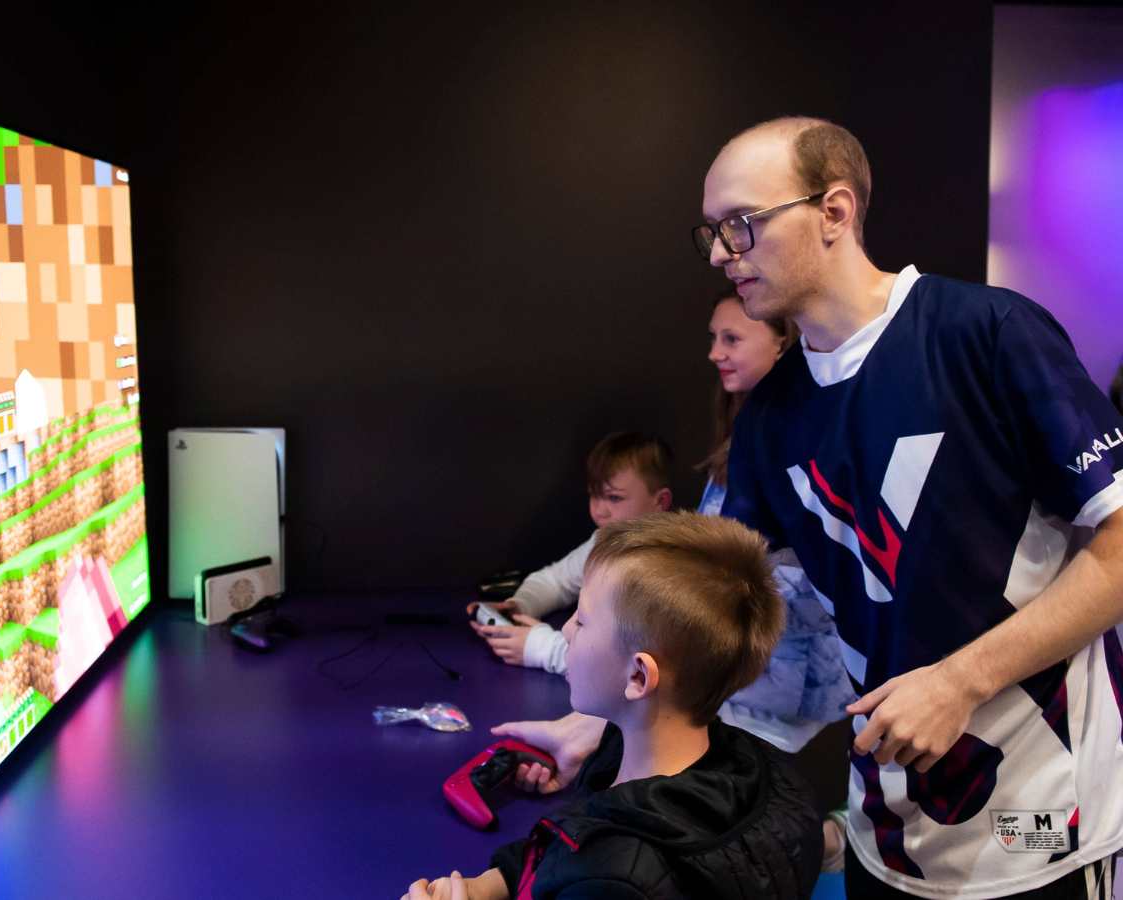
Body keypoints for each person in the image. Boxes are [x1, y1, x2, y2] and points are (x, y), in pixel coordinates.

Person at [498, 117, 1123, 899]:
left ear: (834, 211)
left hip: (1040, 830)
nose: (723, 254)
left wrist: (962, 680)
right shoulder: (773, 416)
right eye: (713, 233)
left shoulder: (987, 334)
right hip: (884, 833)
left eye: (742, 225)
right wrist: (595, 726)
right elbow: (698, 612)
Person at [405, 512, 823, 899]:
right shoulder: (749, 769)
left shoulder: (617, 878)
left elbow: (591, 866)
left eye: (582, 620)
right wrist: (484, 888)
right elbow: (565, 850)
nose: (565, 630)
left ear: (639, 677)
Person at [701, 291, 854, 873]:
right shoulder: (739, 444)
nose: (715, 353)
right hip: (741, 693)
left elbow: (788, 594)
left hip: (792, 711)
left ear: (783, 341)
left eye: (732, 338)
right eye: (713, 339)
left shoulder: (809, 444)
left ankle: (836, 843)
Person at [467, 431, 672, 674]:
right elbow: (555, 581)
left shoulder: (665, 569)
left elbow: (629, 668)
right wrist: (520, 606)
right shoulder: (602, 542)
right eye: (594, 495)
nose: (599, 510)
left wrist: (540, 648)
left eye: (614, 498)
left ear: (660, 502)